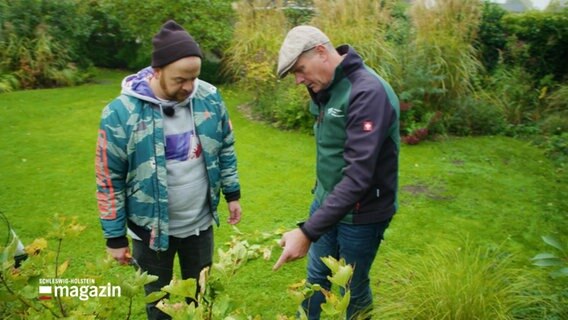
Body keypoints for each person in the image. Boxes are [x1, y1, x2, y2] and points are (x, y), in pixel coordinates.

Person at [95, 20, 242, 320]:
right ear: (157, 71)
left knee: (198, 303)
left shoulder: (209, 99)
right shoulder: (120, 113)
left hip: (199, 226)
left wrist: (233, 193)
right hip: (150, 233)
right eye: (180, 79)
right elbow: (108, 178)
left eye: (194, 78)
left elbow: (225, 146)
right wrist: (114, 238)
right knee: (159, 307)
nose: (189, 87)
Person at [273, 26, 400, 319]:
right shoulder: (327, 87)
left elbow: (358, 177)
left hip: (362, 214)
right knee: (316, 278)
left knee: (352, 286)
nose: (298, 79)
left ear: (321, 52)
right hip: (327, 205)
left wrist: (306, 232)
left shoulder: (368, 93)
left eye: (300, 69)